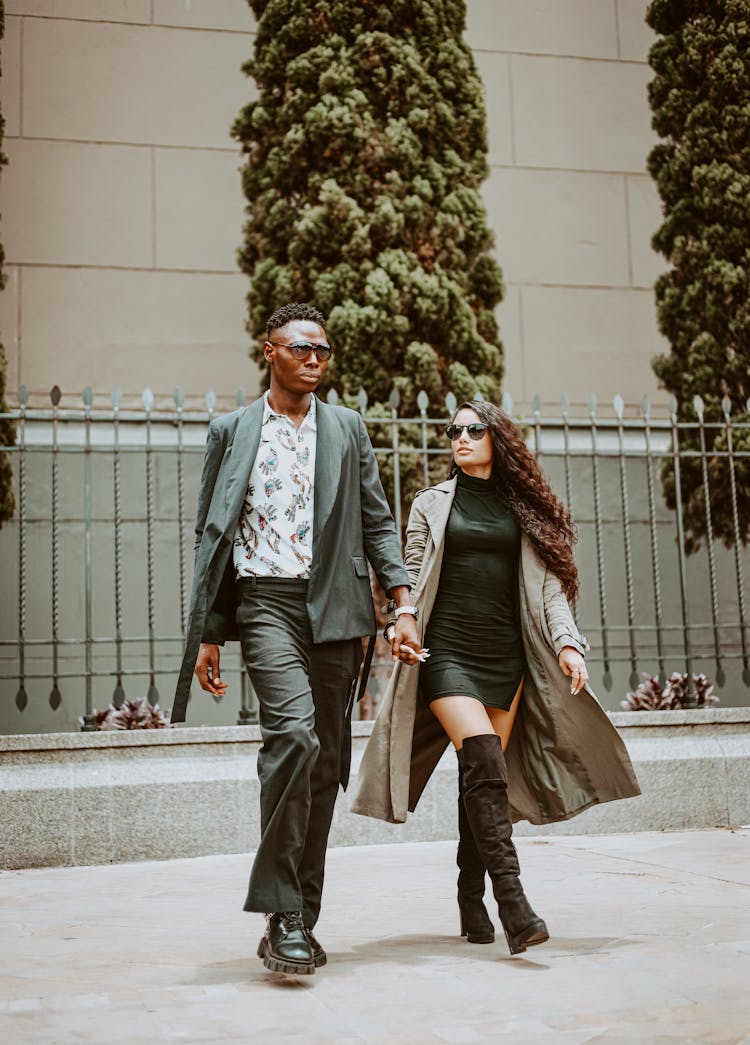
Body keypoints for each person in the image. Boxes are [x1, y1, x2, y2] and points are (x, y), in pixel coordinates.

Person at [171, 303, 419, 976]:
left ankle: (300, 915)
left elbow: (378, 522)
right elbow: (212, 533)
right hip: (266, 605)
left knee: (325, 762)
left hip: (336, 611)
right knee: (293, 737)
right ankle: (283, 914)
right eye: (302, 347)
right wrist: (210, 632)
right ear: (268, 350)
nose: (316, 358)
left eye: (324, 350)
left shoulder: (347, 429)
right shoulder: (231, 431)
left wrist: (402, 604)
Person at [352, 400, 640, 955]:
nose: (459, 438)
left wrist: (568, 646)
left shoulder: (526, 510)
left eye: (472, 430)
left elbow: (551, 590)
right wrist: (398, 624)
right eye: (453, 430)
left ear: (497, 439)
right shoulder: (431, 504)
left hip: (506, 658)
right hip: (447, 653)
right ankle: (514, 902)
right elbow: (408, 576)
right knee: (483, 754)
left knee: (482, 778)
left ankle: (469, 892)